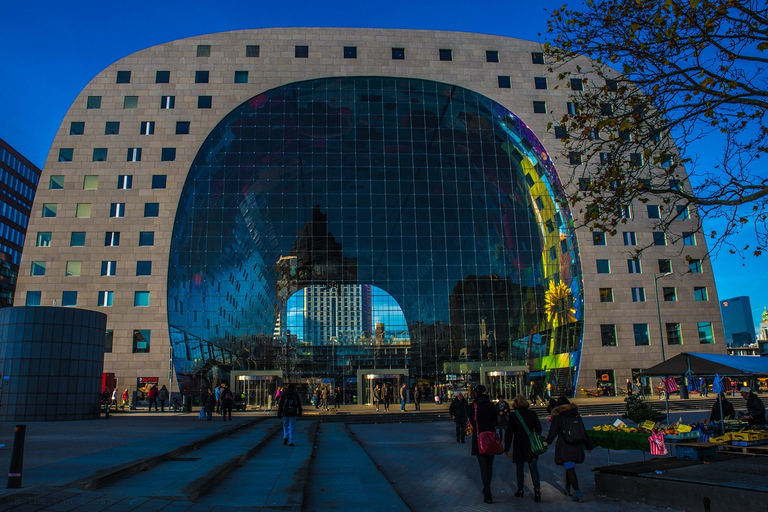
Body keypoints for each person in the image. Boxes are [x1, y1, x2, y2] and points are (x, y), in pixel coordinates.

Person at [546, 397, 593, 502]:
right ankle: (567, 488)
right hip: (577, 445)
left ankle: (577, 492)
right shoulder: (575, 414)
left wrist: (547, 442)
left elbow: (552, 433)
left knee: (569, 467)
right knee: (570, 467)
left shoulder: (558, 416)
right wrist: (589, 445)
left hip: (565, 446)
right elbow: (583, 431)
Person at [505, 394, 543, 502]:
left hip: (519, 445)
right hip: (531, 445)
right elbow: (539, 428)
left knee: (519, 468)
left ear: (515, 404)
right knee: (533, 468)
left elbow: (509, 433)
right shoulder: (532, 414)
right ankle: (537, 491)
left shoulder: (513, 415)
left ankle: (520, 490)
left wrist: (506, 448)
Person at [471, 385, 498, 504]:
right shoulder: (491, 406)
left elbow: (472, 421)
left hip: (479, 439)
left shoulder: (473, 406)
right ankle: (487, 489)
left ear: (476, 393)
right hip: (490, 438)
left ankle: (487, 493)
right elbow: (495, 421)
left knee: (483, 467)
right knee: (489, 466)